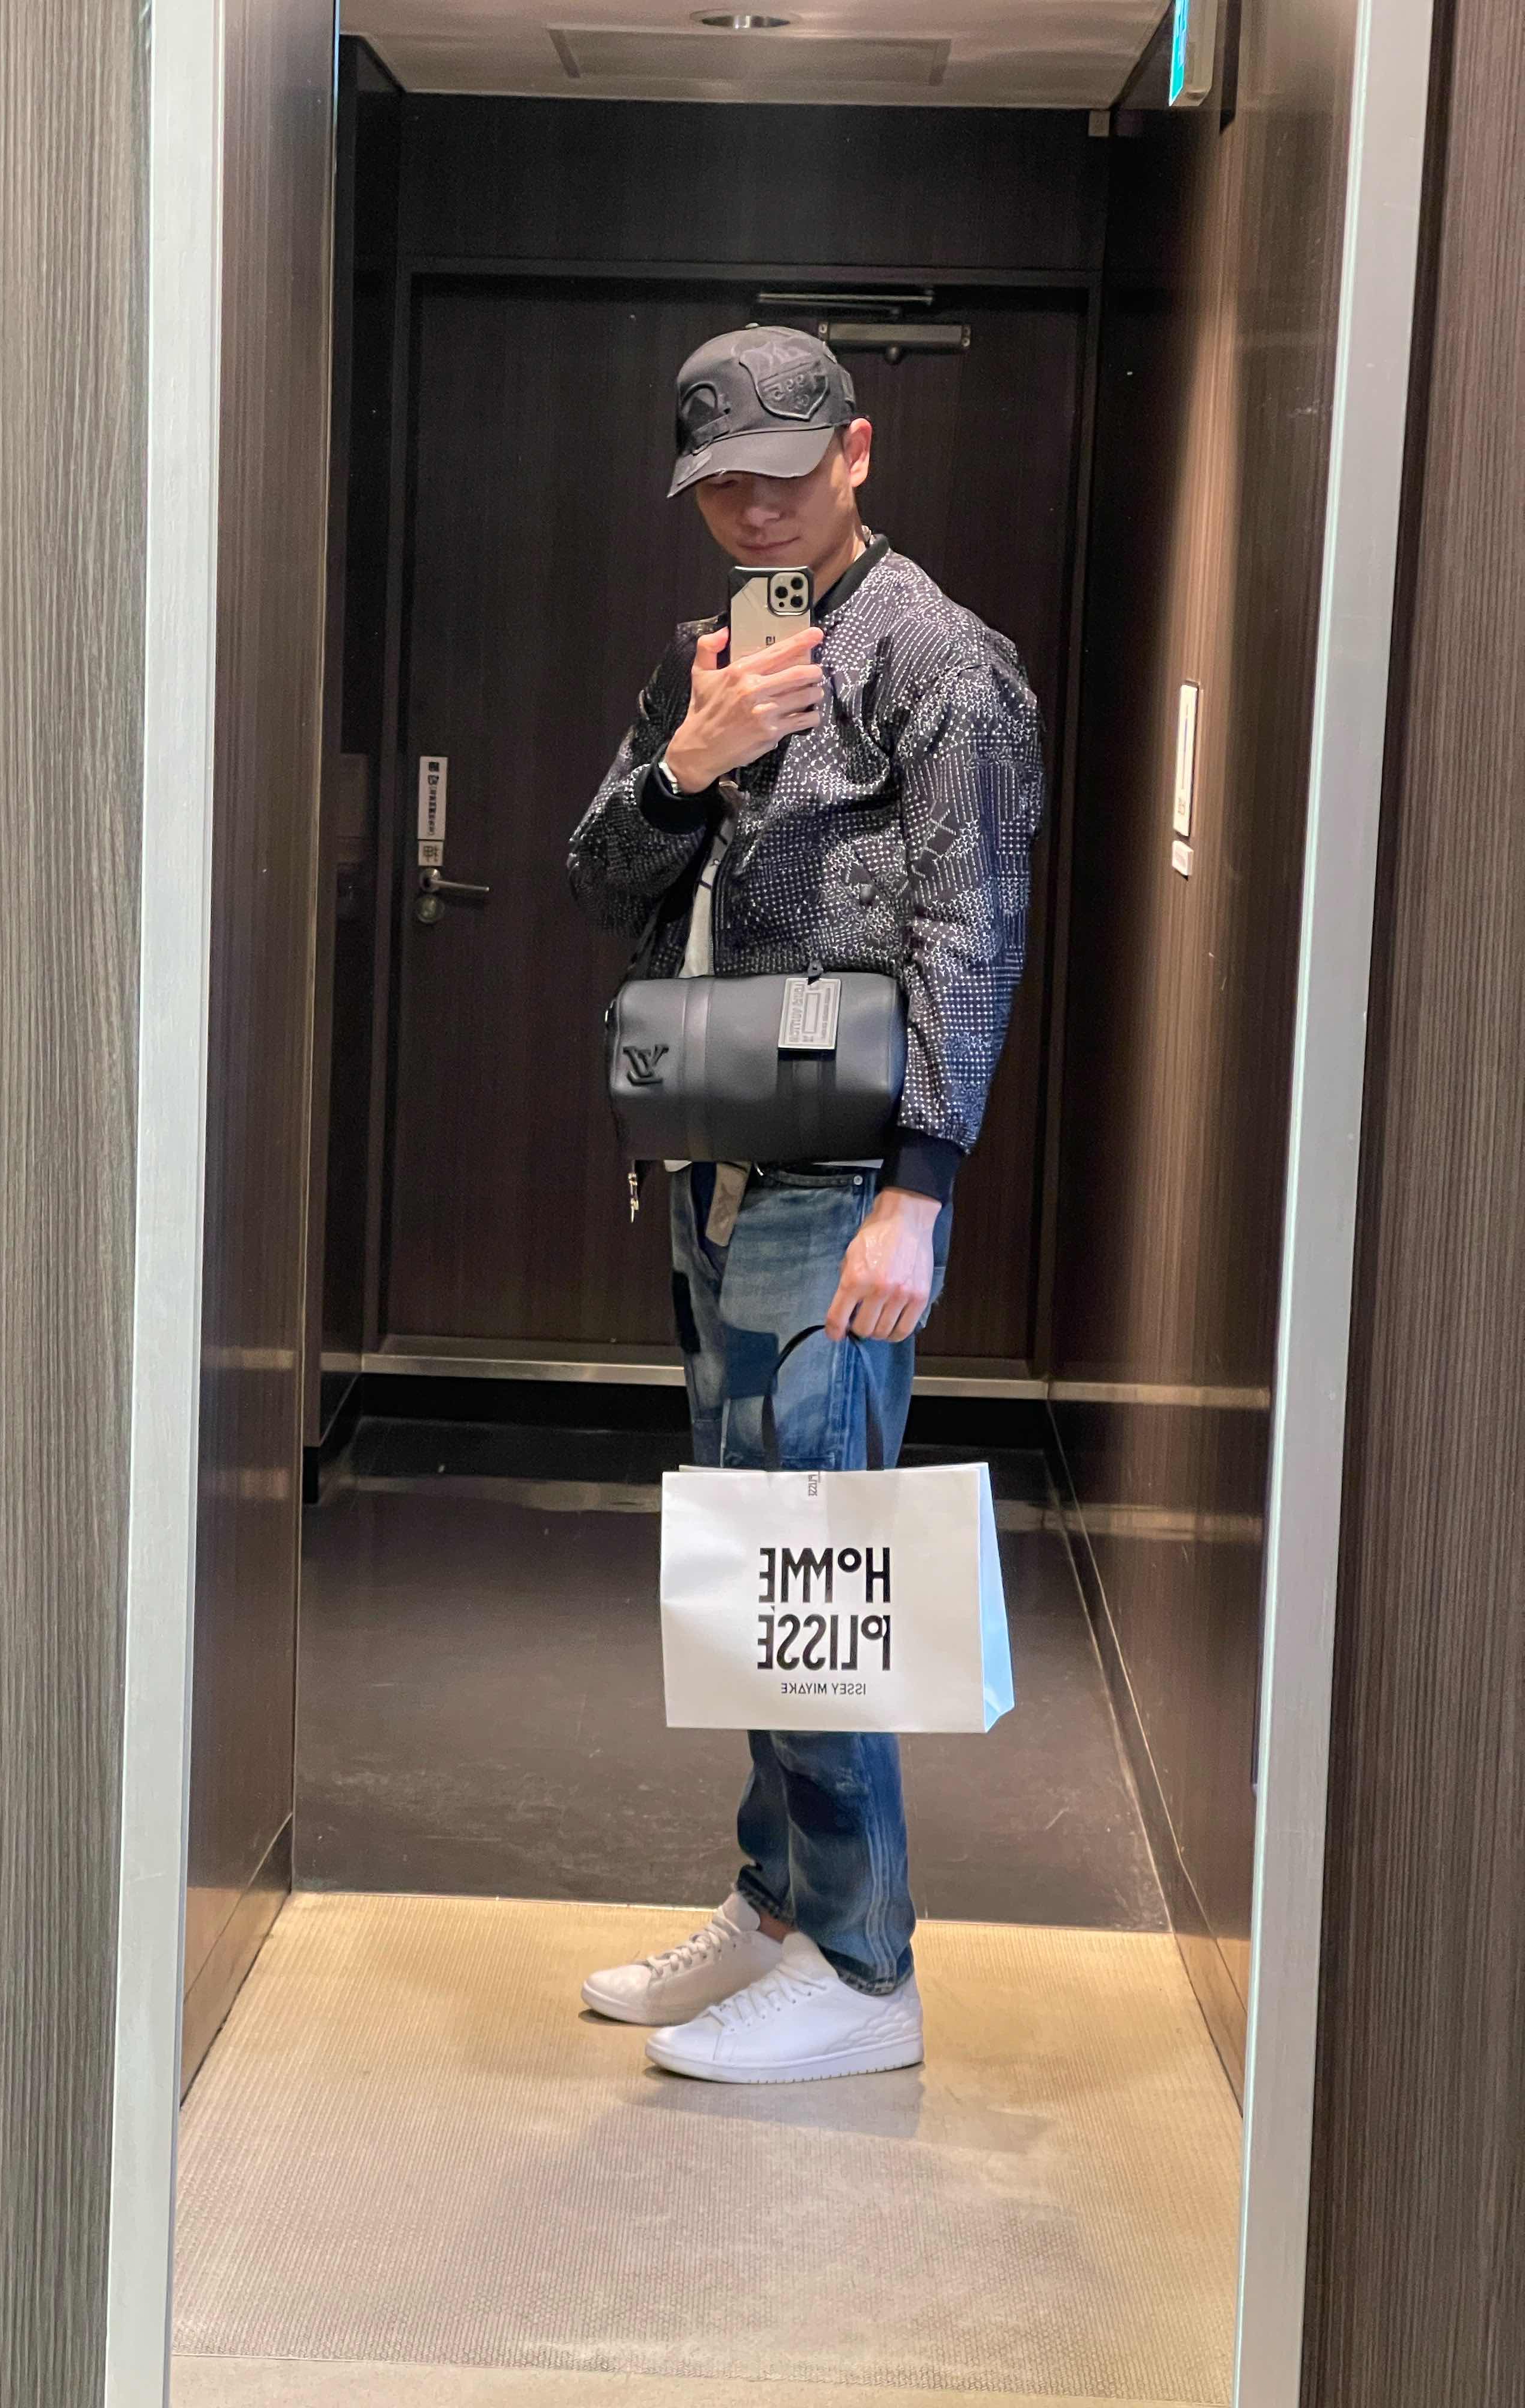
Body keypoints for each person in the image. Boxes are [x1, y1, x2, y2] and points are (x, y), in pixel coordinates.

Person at [566, 327, 1044, 2084]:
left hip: (844, 1178)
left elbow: (971, 934)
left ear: (856, 452)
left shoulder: (939, 663)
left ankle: (861, 1968)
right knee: (751, 1561)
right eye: (722, 485)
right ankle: (775, 1909)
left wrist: (918, 1197)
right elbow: (597, 879)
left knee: (816, 1567)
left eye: (783, 472)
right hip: (713, 1166)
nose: (754, 509)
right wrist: (688, 761)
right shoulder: (711, 660)